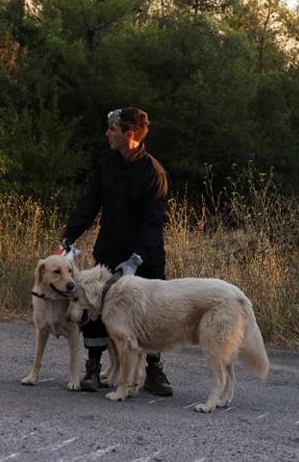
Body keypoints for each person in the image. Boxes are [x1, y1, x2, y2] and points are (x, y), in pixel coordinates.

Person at [58, 106, 172, 396]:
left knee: (150, 314)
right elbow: (88, 204)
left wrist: (136, 260)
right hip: (109, 252)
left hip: (144, 258)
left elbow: (153, 224)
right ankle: (93, 368)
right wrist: (68, 239)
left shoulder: (153, 173)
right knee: (94, 307)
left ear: (128, 134)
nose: (107, 134)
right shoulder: (106, 166)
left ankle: (153, 370)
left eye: (112, 129)